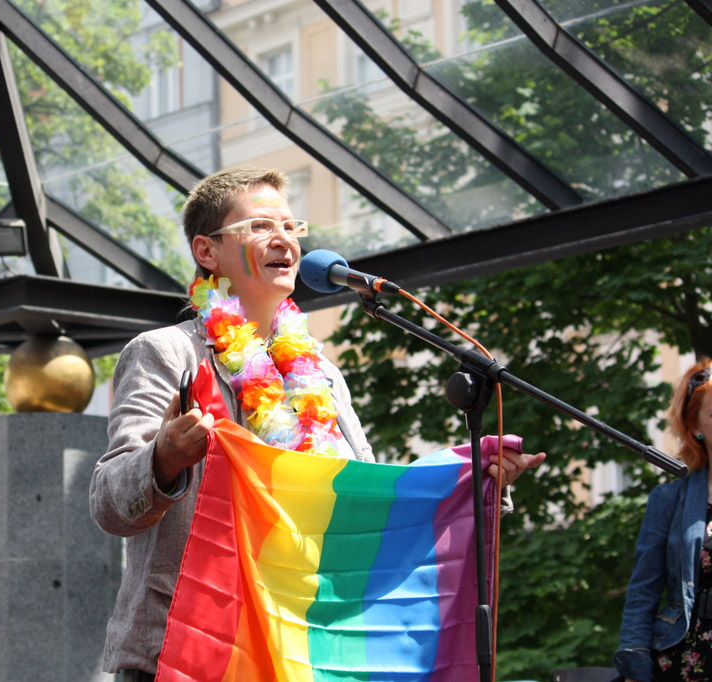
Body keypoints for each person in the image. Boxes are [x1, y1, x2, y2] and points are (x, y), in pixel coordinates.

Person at [89, 167, 545, 681]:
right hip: (193, 645)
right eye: (260, 226)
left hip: (302, 648)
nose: (283, 238)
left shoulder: (321, 374)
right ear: (207, 251)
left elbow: (365, 499)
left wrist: (471, 483)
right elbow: (109, 502)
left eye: (291, 226)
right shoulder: (167, 353)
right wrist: (163, 458)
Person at [616, 359, 712, 681]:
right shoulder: (670, 499)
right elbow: (643, 591)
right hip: (685, 659)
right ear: (695, 427)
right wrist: (633, 668)